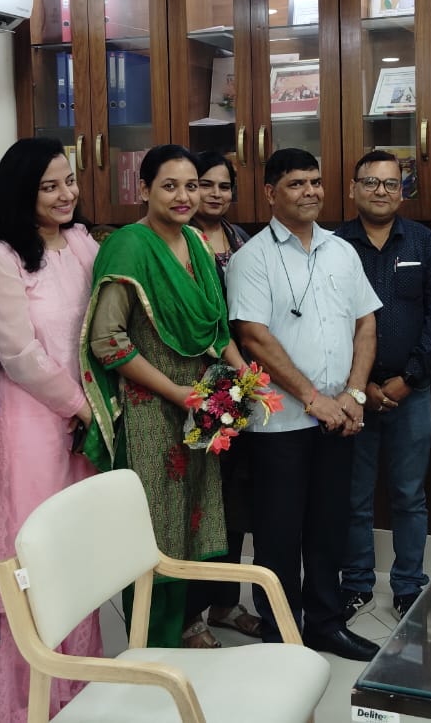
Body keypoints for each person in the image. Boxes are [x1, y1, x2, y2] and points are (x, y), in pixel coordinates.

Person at [83, 144, 245, 649]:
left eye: (191, 186)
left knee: (190, 523)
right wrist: (175, 392)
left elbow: (214, 328)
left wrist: (245, 374)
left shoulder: (196, 242)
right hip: (150, 409)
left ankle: (181, 633)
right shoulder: (128, 246)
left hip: (199, 405)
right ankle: (149, 649)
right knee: (153, 532)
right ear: (144, 189)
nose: (183, 196)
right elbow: (108, 341)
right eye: (169, 186)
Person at [226, 147, 382, 661]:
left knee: (328, 526)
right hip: (280, 424)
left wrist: (354, 394)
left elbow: (366, 322)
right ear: (270, 193)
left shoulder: (342, 250)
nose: (310, 191)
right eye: (296, 183)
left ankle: (325, 623)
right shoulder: (252, 258)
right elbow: (254, 337)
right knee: (278, 534)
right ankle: (281, 635)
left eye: (315, 181)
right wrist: (315, 400)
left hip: (339, 417)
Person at [0, 137, 103, 723]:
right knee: (31, 559)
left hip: (84, 422)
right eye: (49, 186)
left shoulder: (83, 242)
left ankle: (79, 694)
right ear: (21, 191)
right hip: (29, 422)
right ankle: (22, 707)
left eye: (68, 181)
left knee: (76, 555)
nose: (65, 194)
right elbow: (17, 353)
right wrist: (81, 406)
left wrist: (93, 408)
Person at [336, 150, 431, 624]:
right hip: (352, 394)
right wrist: (361, 384)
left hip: (412, 392)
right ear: (353, 189)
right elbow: (329, 321)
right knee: (354, 498)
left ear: (402, 191)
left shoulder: (425, 243)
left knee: (409, 495)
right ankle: (356, 584)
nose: (380, 191)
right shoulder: (333, 245)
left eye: (390, 183)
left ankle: (408, 586)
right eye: (370, 182)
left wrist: (410, 379)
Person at [188, 149, 261, 640]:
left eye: (223, 185)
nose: (215, 194)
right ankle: (189, 613)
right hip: (195, 383)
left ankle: (225, 603)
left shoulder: (242, 240)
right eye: (204, 184)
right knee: (199, 500)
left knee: (234, 498)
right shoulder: (177, 239)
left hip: (241, 380)